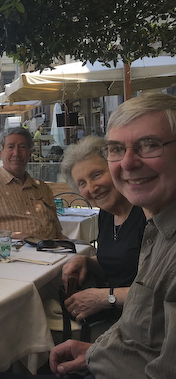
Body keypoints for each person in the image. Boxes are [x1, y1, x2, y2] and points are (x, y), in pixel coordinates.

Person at [0, 92, 176, 379]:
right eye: (117, 149)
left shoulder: (150, 224)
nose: (129, 162)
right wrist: (86, 261)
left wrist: (103, 298)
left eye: (150, 145)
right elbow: (143, 317)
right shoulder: (137, 222)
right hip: (103, 362)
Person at [60, 136, 145, 330]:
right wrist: (87, 262)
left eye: (97, 175)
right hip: (114, 319)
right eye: (82, 183)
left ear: (117, 168)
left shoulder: (145, 213)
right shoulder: (107, 214)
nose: (91, 188)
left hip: (139, 324)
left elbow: (157, 291)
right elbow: (119, 263)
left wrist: (104, 298)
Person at [0, 127, 62, 240]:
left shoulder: (43, 188)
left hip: (53, 251)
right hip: (15, 254)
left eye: (22, 147)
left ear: (30, 153)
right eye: (10, 147)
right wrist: (16, 236)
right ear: (1, 153)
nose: (16, 153)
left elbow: (58, 234)